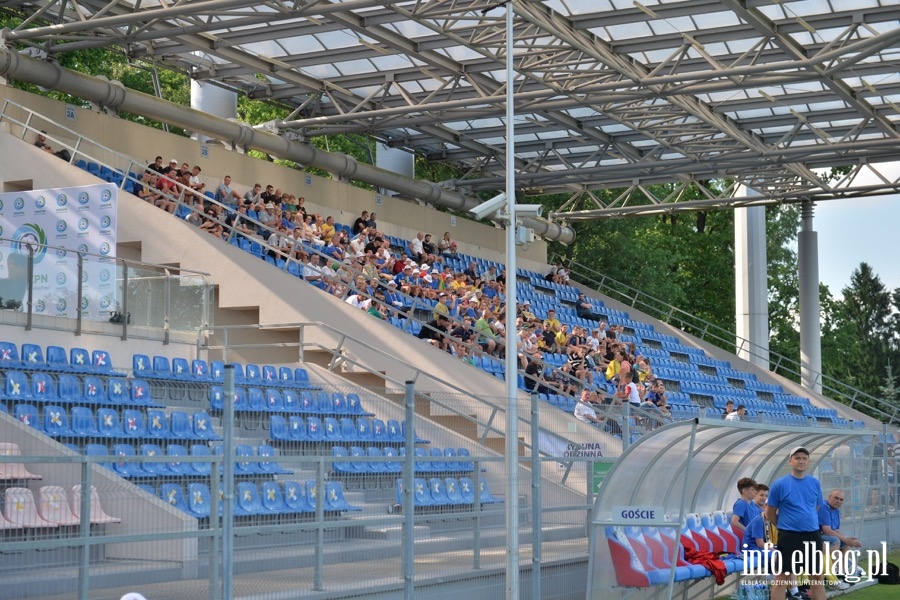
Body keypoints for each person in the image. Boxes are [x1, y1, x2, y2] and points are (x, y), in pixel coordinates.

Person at [765, 446, 830, 600]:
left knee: (817, 577)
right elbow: (770, 513)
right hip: (789, 537)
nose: (801, 461)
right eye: (797, 458)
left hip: (812, 535)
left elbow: (816, 506)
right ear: (790, 461)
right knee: (782, 577)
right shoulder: (779, 484)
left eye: (804, 458)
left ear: (808, 462)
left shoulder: (815, 483)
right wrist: (785, 526)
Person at [818, 489, 862, 573]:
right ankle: (836, 570)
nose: (838, 501)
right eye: (836, 498)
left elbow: (835, 531)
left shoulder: (836, 510)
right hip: (816, 536)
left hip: (825, 536)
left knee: (846, 543)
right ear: (829, 497)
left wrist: (847, 539)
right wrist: (845, 539)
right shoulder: (824, 507)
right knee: (835, 540)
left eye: (841, 499)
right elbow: (827, 530)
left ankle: (844, 572)